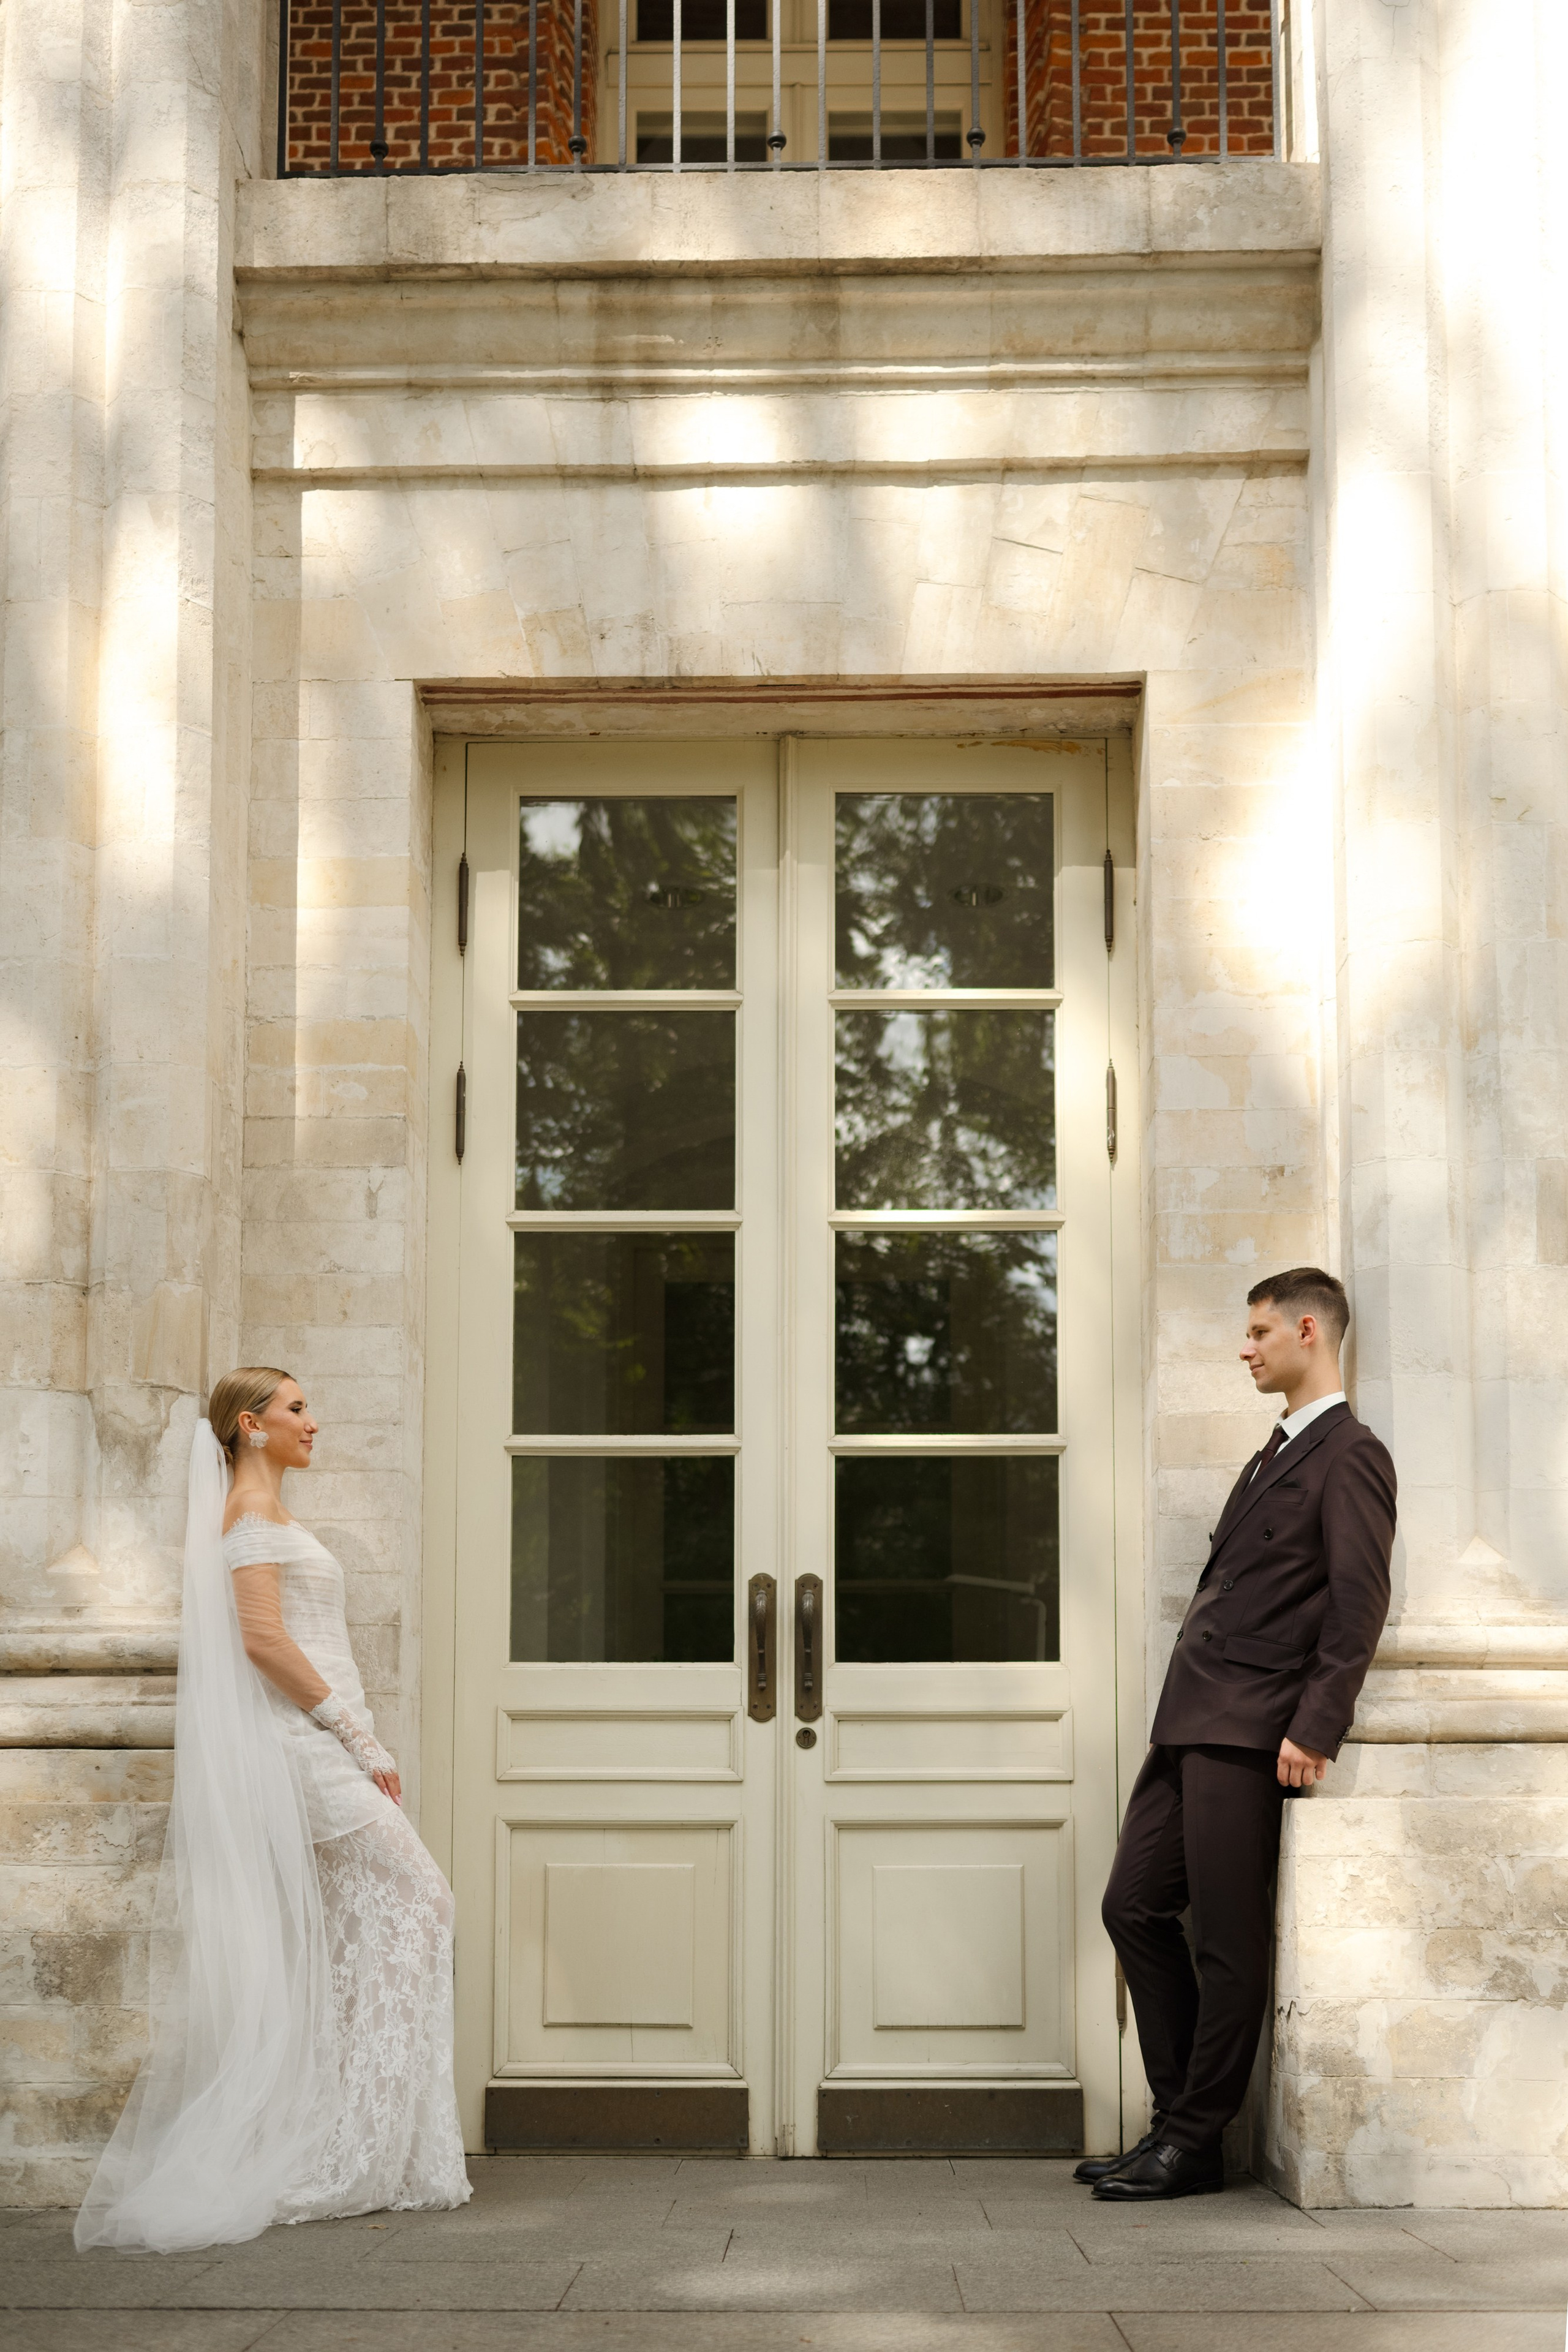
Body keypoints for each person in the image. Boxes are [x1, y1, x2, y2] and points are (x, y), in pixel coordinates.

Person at [75, 1369, 470, 2251]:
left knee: (370, 1924)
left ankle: (367, 2140)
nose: (313, 1422)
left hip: (327, 1739)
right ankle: (353, 2144)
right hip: (305, 1747)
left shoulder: (271, 1515)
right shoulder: (250, 1518)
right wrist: (355, 1738)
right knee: (425, 1900)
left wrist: (360, 1735)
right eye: (297, 1409)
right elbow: (262, 1640)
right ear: (251, 1427)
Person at [1080, 1268, 1396, 2203]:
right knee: (1132, 1906)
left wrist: (1317, 1724)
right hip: (1192, 1718)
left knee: (1227, 1939)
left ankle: (1190, 2142)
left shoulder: (1351, 1454)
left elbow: (1358, 1602)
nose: (1245, 1347)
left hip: (1253, 1725)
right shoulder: (1275, 1451)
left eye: (1260, 1332)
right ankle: (1177, 2123)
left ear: (1309, 1331)